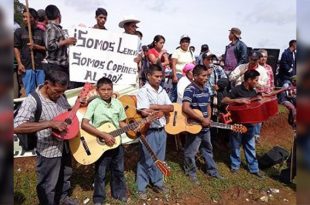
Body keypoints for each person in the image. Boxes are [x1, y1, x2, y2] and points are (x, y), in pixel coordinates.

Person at [14, 70, 78, 205]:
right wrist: (49, 123)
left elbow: (66, 113)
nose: (59, 95)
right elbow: (17, 125)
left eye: (62, 92)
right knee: (48, 184)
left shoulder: (61, 96)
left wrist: (78, 106)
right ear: (47, 84)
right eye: (56, 91)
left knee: (65, 176)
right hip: (48, 150)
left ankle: (63, 198)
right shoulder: (33, 100)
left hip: (65, 145)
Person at [81, 77, 128, 204]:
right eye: (103, 89)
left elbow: (122, 123)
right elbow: (84, 124)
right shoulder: (94, 104)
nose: (106, 92)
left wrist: (132, 128)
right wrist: (103, 135)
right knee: (100, 173)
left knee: (118, 170)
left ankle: (118, 193)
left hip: (116, 143)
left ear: (113, 90)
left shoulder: (118, 104)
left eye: (109, 89)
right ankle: (99, 198)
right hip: (100, 145)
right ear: (97, 90)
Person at [136, 64, 173, 200]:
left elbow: (171, 107)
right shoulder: (143, 91)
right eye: (156, 76)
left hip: (161, 129)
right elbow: (145, 111)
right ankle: (141, 187)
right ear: (148, 76)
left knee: (160, 158)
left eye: (160, 76)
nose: (159, 79)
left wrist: (157, 107)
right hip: (149, 130)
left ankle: (158, 182)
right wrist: (162, 110)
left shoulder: (162, 90)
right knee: (146, 158)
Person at [182, 65, 224, 185]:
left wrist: (208, 118)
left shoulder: (206, 89)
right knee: (191, 151)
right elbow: (185, 107)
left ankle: (213, 171)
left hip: (205, 126)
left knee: (208, 149)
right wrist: (201, 119)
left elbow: (208, 105)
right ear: (195, 76)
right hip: (194, 126)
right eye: (203, 76)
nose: (206, 78)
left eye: (207, 75)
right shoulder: (190, 89)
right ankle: (191, 173)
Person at [222, 69, 264, 178]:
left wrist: (259, 98)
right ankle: (235, 166)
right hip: (237, 123)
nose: (257, 82)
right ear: (249, 80)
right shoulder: (236, 90)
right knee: (235, 145)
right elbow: (224, 100)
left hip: (250, 123)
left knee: (250, 145)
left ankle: (254, 168)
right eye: (255, 80)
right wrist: (238, 100)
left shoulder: (253, 91)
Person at [14, 8, 46, 96]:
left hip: (40, 67)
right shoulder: (19, 32)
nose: (25, 19)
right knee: (30, 93)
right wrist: (19, 63)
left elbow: (48, 48)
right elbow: (16, 47)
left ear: (35, 19)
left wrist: (36, 46)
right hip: (26, 67)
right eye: (24, 17)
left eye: (28, 17)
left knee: (41, 92)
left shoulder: (42, 33)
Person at [44, 5, 77, 81]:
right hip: (55, 66)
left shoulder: (57, 28)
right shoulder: (52, 28)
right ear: (59, 15)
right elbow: (50, 45)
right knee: (56, 89)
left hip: (59, 66)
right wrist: (66, 41)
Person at [171, 35, 196, 102]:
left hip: (189, 76)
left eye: (187, 42)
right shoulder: (177, 52)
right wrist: (174, 76)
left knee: (186, 94)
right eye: (183, 42)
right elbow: (173, 64)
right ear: (180, 43)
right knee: (175, 95)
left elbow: (194, 64)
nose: (185, 43)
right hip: (179, 75)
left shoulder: (191, 52)